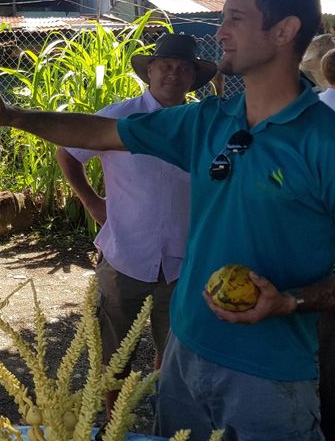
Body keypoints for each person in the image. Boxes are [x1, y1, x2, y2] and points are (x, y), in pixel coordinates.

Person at [0, 0, 335, 441]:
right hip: (185, 357)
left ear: (284, 30)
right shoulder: (209, 121)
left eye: (235, 19)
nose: (221, 33)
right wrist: (11, 115)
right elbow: (100, 131)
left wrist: (290, 301)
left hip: (272, 379)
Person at [55, 33, 215, 419]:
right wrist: (92, 202)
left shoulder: (202, 126)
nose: (173, 75)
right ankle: (115, 424)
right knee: (114, 350)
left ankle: (165, 419)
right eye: (165, 66)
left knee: (174, 352)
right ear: (150, 71)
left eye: (183, 69)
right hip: (124, 253)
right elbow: (67, 151)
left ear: (193, 77)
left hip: (181, 262)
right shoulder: (120, 117)